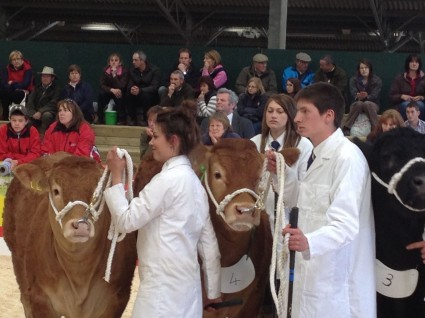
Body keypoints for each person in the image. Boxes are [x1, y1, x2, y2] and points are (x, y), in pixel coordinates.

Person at [267, 82, 376, 317]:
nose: (297, 118)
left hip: (335, 283)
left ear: (329, 115)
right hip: (312, 276)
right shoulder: (315, 154)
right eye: (297, 110)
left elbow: (346, 224)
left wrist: (309, 242)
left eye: (305, 111)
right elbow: (303, 202)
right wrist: (281, 174)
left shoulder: (346, 159)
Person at [103, 107, 222, 317]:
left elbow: (126, 221)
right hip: (188, 289)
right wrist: (212, 292)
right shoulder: (195, 184)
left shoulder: (166, 181)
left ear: (173, 141)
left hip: (160, 291)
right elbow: (209, 244)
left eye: (156, 136)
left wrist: (116, 175)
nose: (151, 142)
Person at [251, 94, 313, 224]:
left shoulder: (303, 145)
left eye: (280, 112)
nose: (274, 115)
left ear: (290, 115)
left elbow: (304, 186)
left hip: (288, 218)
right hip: (259, 218)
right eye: (270, 111)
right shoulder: (254, 143)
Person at [343, 59, 381, 137]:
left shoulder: (377, 80)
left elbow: (375, 95)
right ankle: (346, 128)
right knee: (359, 104)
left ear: (370, 69)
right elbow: (353, 93)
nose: (364, 70)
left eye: (366, 68)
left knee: (367, 104)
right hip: (357, 103)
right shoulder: (353, 80)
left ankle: (376, 129)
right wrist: (358, 96)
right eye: (362, 68)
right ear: (359, 70)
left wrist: (367, 96)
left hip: (373, 104)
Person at [0, 103, 41, 170]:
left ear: (26, 121)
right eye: (14, 120)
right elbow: (1, 153)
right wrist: (23, 157)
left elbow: (36, 154)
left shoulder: (32, 131)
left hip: (27, 165)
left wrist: (18, 161)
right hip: (7, 163)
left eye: (20, 120)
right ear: (9, 119)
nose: (17, 123)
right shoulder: (3, 130)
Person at [126, 50, 161, 126]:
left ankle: (145, 120)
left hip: (150, 95)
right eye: (133, 60)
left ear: (142, 61)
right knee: (128, 94)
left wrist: (141, 90)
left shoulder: (155, 70)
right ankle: (132, 119)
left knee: (146, 96)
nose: (133, 62)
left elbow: (154, 87)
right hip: (136, 93)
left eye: (136, 60)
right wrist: (132, 89)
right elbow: (129, 84)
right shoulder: (132, 70)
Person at [26, 66, 61, 137]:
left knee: (46, 115)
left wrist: (40, 112)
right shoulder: (36, 88)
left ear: (52, 78)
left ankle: (43, 135)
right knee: (27, 120)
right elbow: (30, 102)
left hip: (49, 113)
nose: (45, 78)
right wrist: (33, 113)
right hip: (35, 113)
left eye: (47, 76)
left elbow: (53, 104)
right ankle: (29, 137)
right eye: (43, 76)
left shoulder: (57, 89)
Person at [389, 53, 425, 120]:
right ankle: (405, 128)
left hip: (420, 102)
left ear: (419, 64)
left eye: (416, 62)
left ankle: (421, 128)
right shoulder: (399, 78)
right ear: (408, 63)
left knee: (420, 106)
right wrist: (402, 96)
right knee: (405, 106)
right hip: (403, 103)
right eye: (412, 62)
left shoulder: (424, 77)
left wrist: (422, 97)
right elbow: (392, 96)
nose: (414, 64)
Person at [0, 50, 34, 120]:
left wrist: (12, 83)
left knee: (17, 93)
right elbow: (3, 84)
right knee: (3, 92)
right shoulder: (7, 69)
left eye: (18, 59)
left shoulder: (28, 69)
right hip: (11, 90)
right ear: (11, 61)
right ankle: (5, 116)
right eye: (14, 59)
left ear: (22, 60)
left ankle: (14, 116)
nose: (16, 61)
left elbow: (25, 84)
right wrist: (14, 86)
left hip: (25, 91)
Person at [96, 53, 129, 125]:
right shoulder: (105, 71)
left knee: (120, 95)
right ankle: (100, 118)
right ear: (109, 62)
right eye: (112, 60)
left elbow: (121, 86)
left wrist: (114, 75)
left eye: (116, 60)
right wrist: (111, 90)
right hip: (109, 91)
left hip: (119, 91)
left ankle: (121, 119)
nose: (113, 62)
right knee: (101, 94)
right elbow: (102, 85)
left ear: (120, 63)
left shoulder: (125, 71)